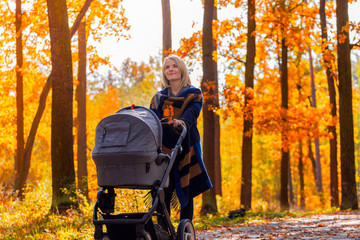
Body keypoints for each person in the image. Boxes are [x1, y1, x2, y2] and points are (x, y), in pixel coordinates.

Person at [150, 54, 213, 221]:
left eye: (174, 66)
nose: (170, 69)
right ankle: (165, 230)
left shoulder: (194, 94)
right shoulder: (158, 98)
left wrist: (181, 123)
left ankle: (186, 226)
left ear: (181, 69)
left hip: (188, 143)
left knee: (188, 183)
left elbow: (192, 114)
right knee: (165, 186)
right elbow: (153, 120)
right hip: (165, 146)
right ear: (164, 72)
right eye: (167, 67)